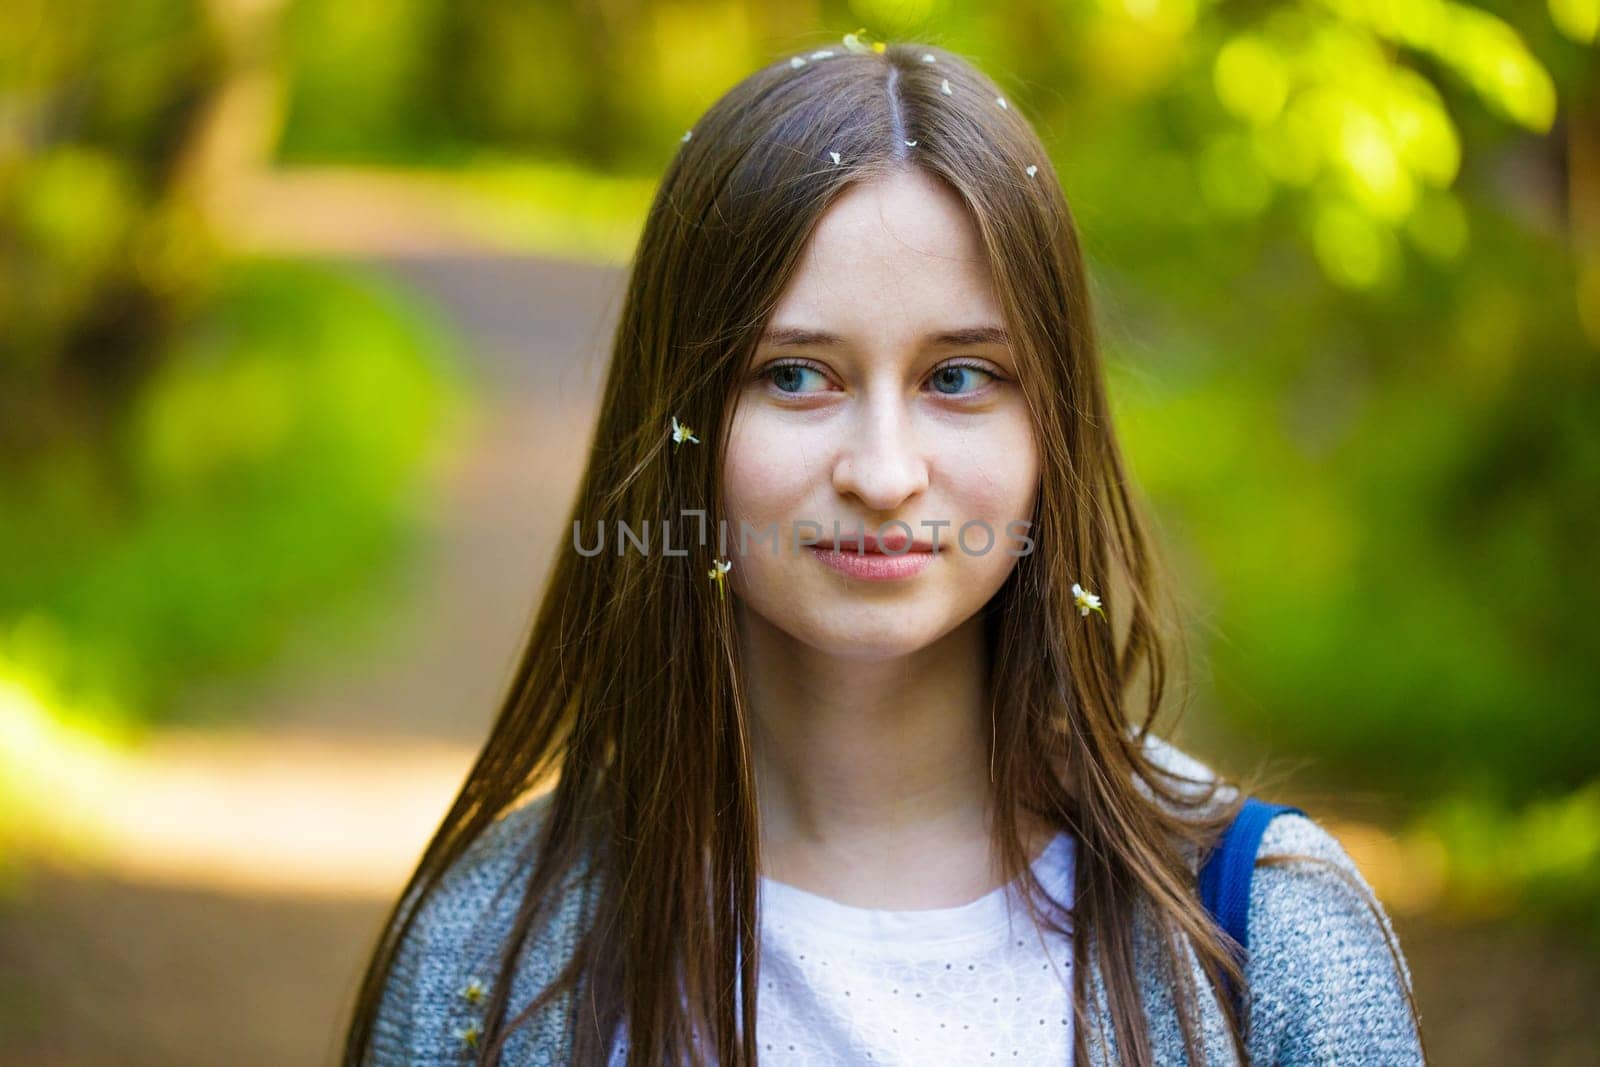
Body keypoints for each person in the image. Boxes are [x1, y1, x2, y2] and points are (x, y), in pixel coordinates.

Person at [343, 33, 1425, 1067]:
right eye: (795, 375)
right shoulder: (484, 948)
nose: (884, 471)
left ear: (1053, 427)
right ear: (675, 420)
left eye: (958, 377)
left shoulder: (1265, 932)